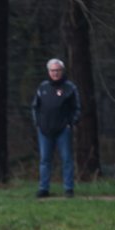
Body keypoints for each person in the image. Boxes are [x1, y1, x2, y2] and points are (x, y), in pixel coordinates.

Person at [31, 58, 81, 198]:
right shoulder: (43, 87)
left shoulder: (70, 88)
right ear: (49, 72)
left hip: (63, 130)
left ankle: (68, 188)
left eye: (58, 70)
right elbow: (35, 107)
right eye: (53, 71)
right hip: (44, 130)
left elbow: (77, 108)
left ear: (62, 71)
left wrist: (70, 123)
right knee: (45, 160)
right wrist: (38, 123)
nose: (55, 73)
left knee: (66, 159)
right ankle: (43, 188)